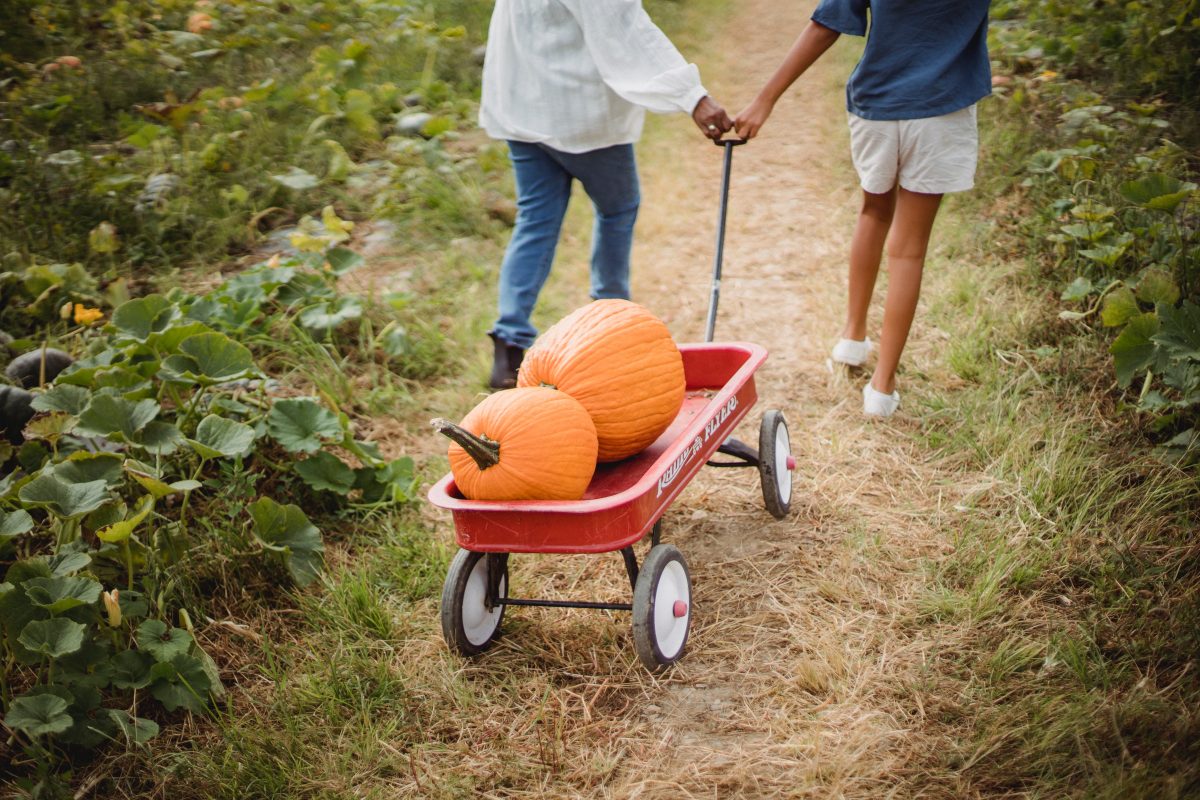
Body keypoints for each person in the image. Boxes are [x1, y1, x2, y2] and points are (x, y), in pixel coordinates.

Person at [734, 0, 991, 417]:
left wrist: (766, 100)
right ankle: (882, 388)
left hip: (876, 105)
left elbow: (826, 23)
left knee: (872, 213)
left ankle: (852, 338)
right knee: (908, 249)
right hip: (942, 110)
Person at [479, 0, 733, 389]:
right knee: (617, 209)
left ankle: (509, 344)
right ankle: (610, 327)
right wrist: (693, 97)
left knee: (536, 220)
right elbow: (625, 28)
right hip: (577, 113)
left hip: (523, 106)